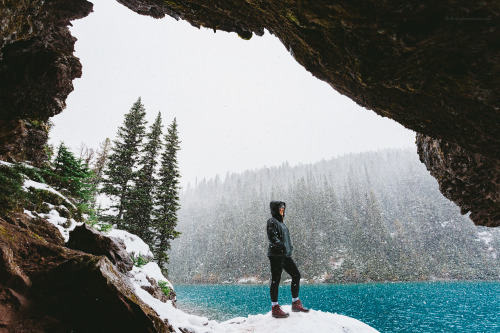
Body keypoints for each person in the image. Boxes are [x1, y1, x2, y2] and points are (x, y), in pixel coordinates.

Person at [266, 200, 309, 318]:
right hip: (275, 255)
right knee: (276, 279)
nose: (282, 210)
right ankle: (275, 307)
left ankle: (295, 303)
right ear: (275, 209)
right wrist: (281, 246)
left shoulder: (282, 223)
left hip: (284, 255)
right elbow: (272, 237)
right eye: (280, 208)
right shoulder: (272, 221)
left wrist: (288, 248)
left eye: (283, 208)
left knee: (296, 275)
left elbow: (284, 239)